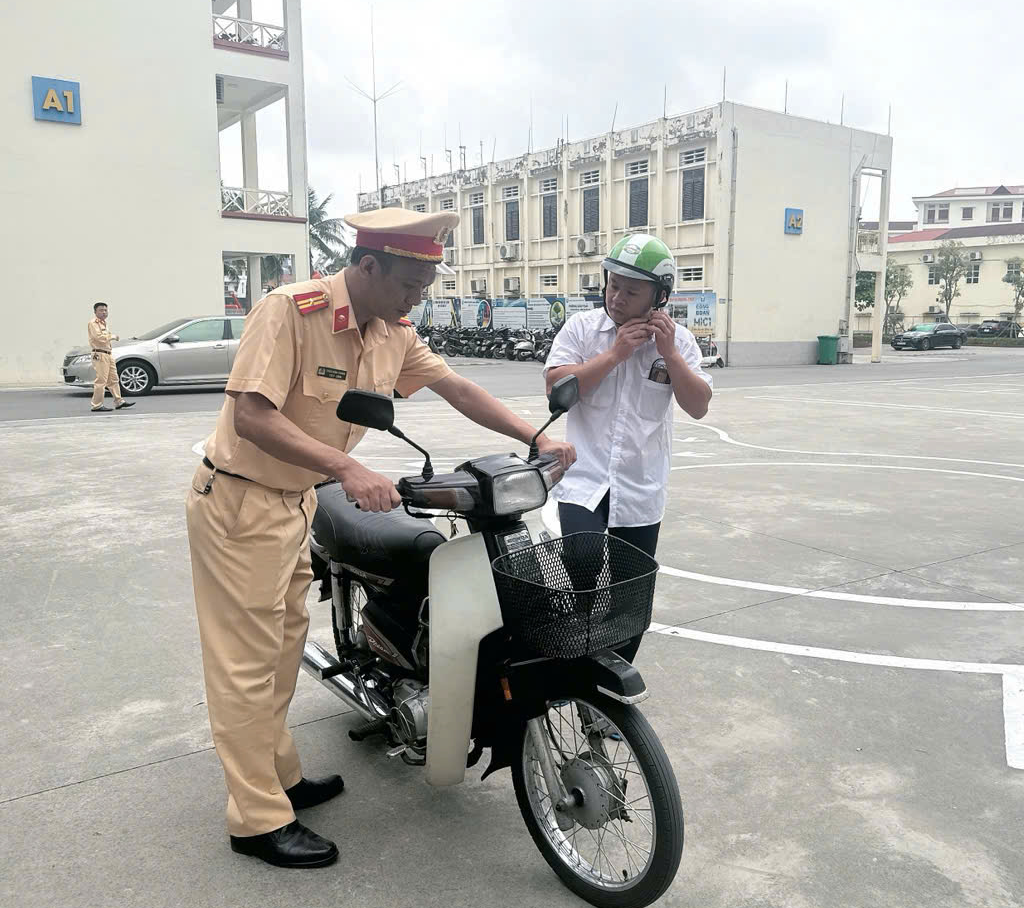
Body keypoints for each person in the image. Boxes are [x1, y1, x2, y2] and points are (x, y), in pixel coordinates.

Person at [186, 207, 575, 869]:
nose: (417, 298)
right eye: (408, 284)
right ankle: (255, 819)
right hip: (239, 501)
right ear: (367, 266)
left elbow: (456, 387)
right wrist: (345, 466)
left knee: (280, 653)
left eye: (426, 285)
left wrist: (534, 437)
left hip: (295, 502)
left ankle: (278, 778)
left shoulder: (391, 330)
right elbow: (250, 415)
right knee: (244, 667)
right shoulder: (290, 312)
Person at [543, 233, 712, 658]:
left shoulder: (681, 343)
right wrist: (615, 354)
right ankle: (575, 655)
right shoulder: (582, 329)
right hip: (585, 478)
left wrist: (670, 355)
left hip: (640, 485)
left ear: (659, 297)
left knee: (631, 597)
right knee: (581, 559)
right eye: (612, 284)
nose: (616, 297)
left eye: (631, 290)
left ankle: (609, 684)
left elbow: (699, 406)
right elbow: (556, 386)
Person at [87, 302, 134, 412]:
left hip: (108, 354)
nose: (104, 312)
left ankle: (119, 401)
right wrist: (112, 336)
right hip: (99, 354)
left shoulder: (104, 323)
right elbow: (98, 337)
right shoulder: (93, 323)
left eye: (105, 310)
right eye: (101, 310)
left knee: (113, 379)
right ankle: (97, 405)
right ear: (95, 312)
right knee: (101, 381)